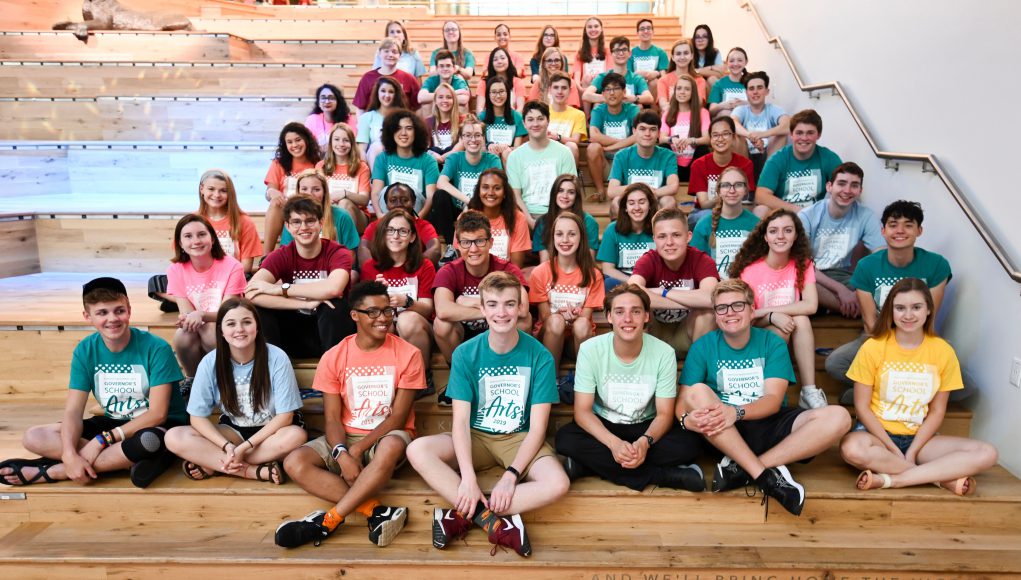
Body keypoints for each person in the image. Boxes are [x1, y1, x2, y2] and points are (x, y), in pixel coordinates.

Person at [407, 271, 570, 558]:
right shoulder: (465, 354)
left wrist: (511, 476)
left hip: (518, 438)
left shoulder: (540, 355)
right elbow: (459, 422)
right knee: (418, 449)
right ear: (481, 310)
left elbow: (538, 428)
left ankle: (460, 516)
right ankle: (488, 518)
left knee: (558, 483)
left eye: (510, 304)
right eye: (493, 304)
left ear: (521, 308)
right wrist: (468, 478)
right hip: (476, 436)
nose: (502, 312)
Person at [678, 279, 852, 516]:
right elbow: (682, 405)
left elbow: (772, 400)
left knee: (839, 416)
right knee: (697, 390)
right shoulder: (704, 346)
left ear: (752, 311)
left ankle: (745, 468)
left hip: (765, 420)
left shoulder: (772, 343)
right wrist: (689, 421)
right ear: (716, 315)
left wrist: (737, 411)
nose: (730, 313)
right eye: (722, 308)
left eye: (738, 305)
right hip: (723, 432)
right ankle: (764, 476)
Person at [274, 281, 425, 548]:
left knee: (390, 445)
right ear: (355, 315)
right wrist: (341, 452)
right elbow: (331, 418)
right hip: (345, 436)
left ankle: (329, 520)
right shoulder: (334, 356)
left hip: (386, 436)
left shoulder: (409, 354)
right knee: (294, 461)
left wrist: (355, 452)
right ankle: (376, 511)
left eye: (387, 311)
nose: (383, 319)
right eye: (373, 312)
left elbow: (398, 418)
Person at [0, 277, 186, 489]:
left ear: (129, 310)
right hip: (113, 422)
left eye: (119, 311)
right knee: (34, 436)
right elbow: (73, 411)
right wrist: (70, 454)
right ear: (87, 316)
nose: (112, 319)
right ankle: (117, 462)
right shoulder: (85, 350)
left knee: (149, 441)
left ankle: (53, 471)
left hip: (154, 426)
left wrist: (102, 441)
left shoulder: (156, 348)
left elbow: (157, 414)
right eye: (102, 313)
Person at [839, 279, 997, 495]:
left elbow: (937, 411)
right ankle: (941, 480)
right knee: (851, 449)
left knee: (986, 453)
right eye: (900, 308)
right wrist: (892, 448)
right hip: (875, 435)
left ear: (929, 310)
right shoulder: (873, 347)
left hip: (920, 439)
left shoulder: (943, 351)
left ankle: (892, 480)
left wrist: (912, 449)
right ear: (890, 311)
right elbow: (862, 407)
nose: (908, 315)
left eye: (916, 307)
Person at [555, 283, 705, 491]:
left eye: (636, 311)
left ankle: (590, 466)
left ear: (646, 317)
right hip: (605, 424)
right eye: (619, 312)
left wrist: (644, 443)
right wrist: (614, 444)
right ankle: (662, 475)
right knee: (565, 439)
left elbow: (664, 414)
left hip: (645, 425)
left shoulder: (664, 353)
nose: (627, 319)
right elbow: (582, 412)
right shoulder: (590, 350)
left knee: (690, 443)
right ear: (608, 317)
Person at [165, 298, 305, 485]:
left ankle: (214, 463)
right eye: (231, 324)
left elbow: (285, 417)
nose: (239, 329)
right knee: (174, 437)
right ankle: (251, 471)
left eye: (247, 322)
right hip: (233, 431)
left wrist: (242, 449)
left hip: (273, 432)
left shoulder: (277, 357)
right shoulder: (210, 362)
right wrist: (227, 446)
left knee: (296, 436)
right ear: (221, 331)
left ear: (257, 327)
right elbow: (197, 418)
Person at [825, 200, 952, 404]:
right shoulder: (867, 266)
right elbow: (870, 323)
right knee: (835, 363)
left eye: (908, 225)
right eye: (893, 225)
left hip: (919, 338)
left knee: (960, 380)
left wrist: (911, 352)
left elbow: (931, 317)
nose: (900, 230)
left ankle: (875, 393)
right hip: (879, 337)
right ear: (883, 231)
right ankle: (896, 392)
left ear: (919, 231)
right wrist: (895, 355)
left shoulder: (937, 265)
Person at [730, 209, 826, 410]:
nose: (780, 236)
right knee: (788, 323)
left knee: (801, 319)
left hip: (790, 329)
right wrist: (772, 317)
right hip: (759, 333)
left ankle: (809, 390)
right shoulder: (750, 271)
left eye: (787, 230)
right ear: (765, 237)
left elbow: (811, 305)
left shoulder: (803, 264)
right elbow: (748, 318)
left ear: (796, 235)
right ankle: (766, 391)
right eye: (773, 231)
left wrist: (770, 311)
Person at [245, 197, 355, 358]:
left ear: (321, 222)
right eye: (296, 222)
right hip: (293, 331)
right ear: (288, 226)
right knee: (258, 310)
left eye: (310, 221)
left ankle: (334, 368)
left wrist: (280, 289)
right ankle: (273, 367)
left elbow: (334, 288)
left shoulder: (337, 252)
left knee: (334, 304)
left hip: (330, 330)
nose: (304, 227)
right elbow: (250, 293)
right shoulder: (281, 255)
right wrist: (305, 303)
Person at [147, 169, 260, 312]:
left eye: (223, 191)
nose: (217, 195)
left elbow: (246, 266)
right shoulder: (191, 220)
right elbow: (181, 260)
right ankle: (200, 301)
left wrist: (222, 275)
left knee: (251, 285)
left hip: (229, 277)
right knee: (155, 283)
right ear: (202, 189)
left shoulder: (244, 222)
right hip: (197, 278)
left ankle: (192, 302)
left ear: (230, 193)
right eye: (211, 189)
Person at [432, 211, 530, 374]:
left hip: (500, 330)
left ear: (490, 243)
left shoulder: (506, 269)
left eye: (479, 241)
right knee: (441, 325)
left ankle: (506, 372)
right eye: (466, 242)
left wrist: (468, 302)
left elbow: (523, 308)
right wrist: (491, 309)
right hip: (462, 333)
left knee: (524, 321)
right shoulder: (449, 271)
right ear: (458, 244)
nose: (473, 249)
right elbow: (443, 310)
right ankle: (460, 374)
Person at [360, 208, 437, 396]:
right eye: (390, 230)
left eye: (403, 231)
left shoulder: (424, 266)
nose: (396, 236)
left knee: (406, 319)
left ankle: (423, 377)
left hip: (419, 328)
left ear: (411, 237)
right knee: (381, 323)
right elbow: (363, 312)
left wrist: (406, 301)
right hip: (386, 325)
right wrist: (377, 296)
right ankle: (388, 379)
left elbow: (428, 310)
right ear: (383, 234)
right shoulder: (371, 267)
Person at [166, 214, 245, 390]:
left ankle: (226, 377)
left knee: (210, 330)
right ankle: (193, 379)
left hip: (229, 324)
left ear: (212, 238)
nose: (196, 241)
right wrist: (189, 318)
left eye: (202, 234)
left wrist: (200, 315)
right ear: (180, 243)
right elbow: (187, 313)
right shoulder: (175, 270)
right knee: (183, 333)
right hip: (199, 327)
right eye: (188, 236)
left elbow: (228, 312)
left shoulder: (232, 266)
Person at [628, 207, 719, 355]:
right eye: (662, 236)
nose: (669, 242)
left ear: (688, 236)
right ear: (654, 239)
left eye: (676, 235)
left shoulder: (702, 260)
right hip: (654, 335)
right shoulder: (649, 259)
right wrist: (690, 303)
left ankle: (697, 370)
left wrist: (663, 292)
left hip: (687, 333)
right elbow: (632, 292)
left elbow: (711, 298)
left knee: (707, 314)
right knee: (634, 309)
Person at [798, 162, 884, 319]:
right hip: (812, 275)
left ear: (860, 191)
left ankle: (840, 306)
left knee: (883, 289)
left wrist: (858, 289)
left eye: (854, 185)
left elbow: (881, 256)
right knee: (804, 283)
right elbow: (802, 264)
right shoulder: (807, 216)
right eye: (842, 183)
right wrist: (841, 291)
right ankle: (861, 309)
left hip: (844, 276)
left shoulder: (866, 216)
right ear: (829, 186)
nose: (847, 191)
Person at [528, 212, 604, 376]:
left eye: (572, 234)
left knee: (582, 324)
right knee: (556, 321)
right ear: (553, 238)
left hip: (576, 339)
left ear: (581, 238)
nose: (565, 240)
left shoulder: (593, 275)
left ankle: (586, 381)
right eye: (559, 234)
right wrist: (562, 317)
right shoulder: (540, 273)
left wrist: (575, 317)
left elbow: (586, 316)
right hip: (549, 335)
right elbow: (545, 317)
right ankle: (551, 380)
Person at [754, 109, 843, 214]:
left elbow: (844, 187)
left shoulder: (829, 158)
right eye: (799, 133)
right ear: (791, 134)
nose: (804, 138)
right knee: (760, 210)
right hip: (783, 216)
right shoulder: (777, 159)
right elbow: (760, 196)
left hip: (815, 217)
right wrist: (798, 210)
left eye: (810, 133)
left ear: (818, 135)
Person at [506, 100, 577, 227]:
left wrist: (557, 220)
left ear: (548, 121)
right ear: (524, 123)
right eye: (530, 119)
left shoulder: (564, 152)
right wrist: (530, 221)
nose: (535, 124)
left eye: (540, 119)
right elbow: (516, 196)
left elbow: (570, 190)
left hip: (557, 214)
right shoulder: (514, 157)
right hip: (526, 215)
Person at [263, 122, 322, 257]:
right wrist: (272, 192)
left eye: (298, 140)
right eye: (289, 142)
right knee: (275, 204)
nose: (294, 145)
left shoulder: (318, 162)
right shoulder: (279, 163)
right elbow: (270, 190)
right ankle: (266, 257)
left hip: (312, 207)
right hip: (286, 208)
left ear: (306, 140)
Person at [370, 109, 440, 221]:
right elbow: (376, 192)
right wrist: (379, 215)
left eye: (409, 128)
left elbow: (431, 196)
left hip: (416, 211)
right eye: (398, 128)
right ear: (391, 132)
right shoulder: (382, 158)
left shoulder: (428, 161)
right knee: (386, 191)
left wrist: (418, 219)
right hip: (388, 213)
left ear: (416, 132)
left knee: (410, 192)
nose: (403, 133)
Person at [691, 166, 760, 278]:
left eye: (738, 185)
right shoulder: (704, 225)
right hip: (713, 287)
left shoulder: (756, 224)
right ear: (718, 190)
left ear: (746, 190)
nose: (732, 190)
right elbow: (695, 264)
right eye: (726, 185)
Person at [687, 116, 756, 226]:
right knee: (709, 216)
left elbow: (746, 201)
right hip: (704, 212)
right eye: (715, 135)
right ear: (710, 139)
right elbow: (704, 204)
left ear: (733, 137)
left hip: (736, 212)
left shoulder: (745, 165)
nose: (720, 139)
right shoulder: (699, 165)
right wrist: (727, 195)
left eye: (725, 134)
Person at [607, 110, 680, 214]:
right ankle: (622, 230)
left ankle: (659, 229)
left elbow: (673, 186)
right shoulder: (621, 156)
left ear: (659, 133)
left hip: (655, 199)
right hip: (631, 201)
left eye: (652, 129)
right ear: (634, 131)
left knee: (669, 201)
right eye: (642, 129)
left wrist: (651, 193)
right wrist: (640, 189)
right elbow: (612, 191)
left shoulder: (668, 155)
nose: (647, 134)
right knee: (616, 202)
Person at [586, 72, 641, 202]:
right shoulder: (598, 110)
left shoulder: (633, 110)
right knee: (593, 148)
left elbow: (638, 137)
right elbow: (594, 135)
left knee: (640, 143)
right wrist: (624, 142)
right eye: (608, 89)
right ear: (603, 94)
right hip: (606, 163)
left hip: (626, 162)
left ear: (624, 91)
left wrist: (609, 146)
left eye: (616, 88)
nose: (611, 93)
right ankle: (600, 190)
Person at [277, 170, 360, 257]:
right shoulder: (293, 217)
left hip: (338, 267)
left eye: (316, 189)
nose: (310, 194)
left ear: (324, 192)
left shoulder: (342, 216)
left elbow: (351, 254)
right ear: (298, 191)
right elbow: (286, 252)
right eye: (304, 189)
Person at [359, 182, 442, 267]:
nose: (398, 204)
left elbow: (435, 250)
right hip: (382, 272)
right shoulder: (375, 225)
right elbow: (363, 248)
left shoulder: (423, 226)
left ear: (413, 203)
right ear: (387, 205)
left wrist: (405, 269)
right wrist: (374, 270)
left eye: (405, 200)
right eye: (393, 200)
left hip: (412, 272)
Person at [597, 183, 657, 291]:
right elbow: (607, 269)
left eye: (642, 202)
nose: (637, 207)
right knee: (609, 282)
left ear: (650, 206)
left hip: (652, 282)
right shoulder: (612, 229)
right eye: (631, 203)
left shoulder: (659, 228)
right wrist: (634, 283)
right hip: (624, 282)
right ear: (625, 207)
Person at [466, 168, 530, 268]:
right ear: (478, 191)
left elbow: (516, 266)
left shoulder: (518, 218)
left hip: (505, 278)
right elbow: (464, 259)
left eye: (497, 188)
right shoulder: (466, 218)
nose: (490, 192)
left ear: (505, 193)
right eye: (485, 187)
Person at [732, 71, 789, 177]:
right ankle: (744, 177)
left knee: (781, 135)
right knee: (735, 136)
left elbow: (788, 125)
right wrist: (751, 136)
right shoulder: (741, 110)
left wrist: (762, 135)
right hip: (745, 155)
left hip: (768, 155)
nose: (755, 92)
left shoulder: (773, 109)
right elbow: (732, 123)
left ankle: (768, 176)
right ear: (746, 92)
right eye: (751, 88)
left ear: (767, 91)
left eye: (759, 88)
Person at [317, 123, 372, 234]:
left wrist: (345, 194)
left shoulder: (361, 167)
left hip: (357, 214)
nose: (341, 144)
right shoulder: (321, 166)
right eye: (336, 139)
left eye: (346, 140)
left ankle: (345, 249)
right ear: (331, 143)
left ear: (352, 144)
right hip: (328, 212)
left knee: (345, 203)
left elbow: (364, 200)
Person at [532, 174, 600, 261]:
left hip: (580, 270)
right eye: (560, 190)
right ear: (554, 193)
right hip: (551, 270)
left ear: (576, 196)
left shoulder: (589, 222)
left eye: (571, 192)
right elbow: (544, 261)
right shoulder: (543, 222)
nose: (565, 196)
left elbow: (589, 260)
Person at [661, 74, 711, 182]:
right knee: (663, 147)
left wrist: (690, 141)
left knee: (703, 149)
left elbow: (707, 139)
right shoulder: (668, 113)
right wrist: (672, 139)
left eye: (687, 89)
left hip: (693, 163)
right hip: (674, 165)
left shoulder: (702, 112)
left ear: (692, 92)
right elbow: (661, 138)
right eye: (679, 88)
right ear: (675, 91)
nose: (682, 92)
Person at [353, 38, 420, 114]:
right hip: (373, 124)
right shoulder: (367, 78)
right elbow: (360, 108)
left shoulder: (409, 78)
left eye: (394, 52)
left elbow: (418, 108)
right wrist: (363, 125)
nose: (390, 55)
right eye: (386, 51)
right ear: (379, 53)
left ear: (399, 55)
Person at [582, 36, 652, 107]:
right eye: (617, 50)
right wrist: (610, 98)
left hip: (628, 113)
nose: (621, 53)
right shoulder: (603, 77)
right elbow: (586, 95)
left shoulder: (636, 78)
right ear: (611, 54)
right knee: (597, 105)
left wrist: (634, 98)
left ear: (629, 53)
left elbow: (649, 98)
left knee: (639, 106)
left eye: (624, 49)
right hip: (608, 114)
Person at [356, 76, 410, 166]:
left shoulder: (404, 117)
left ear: (396, 95)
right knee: (377, 146)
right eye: (383, 91)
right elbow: (361, 149)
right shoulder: (367, 117)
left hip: (399, 160)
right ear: (377, 93)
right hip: (374, 162)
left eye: (391, 92)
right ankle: (375, 179)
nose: (387, 95)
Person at [479, 76, 527, 164]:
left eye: (501, 91)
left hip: (509, 156)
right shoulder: (481, 117)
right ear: (488, 95)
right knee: (492, 153)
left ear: (508, 93)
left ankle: (509, 178)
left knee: (507, 153)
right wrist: (489, 146)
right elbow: (481, 147)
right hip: (489, 155)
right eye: (493, 92)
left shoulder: (517, 116)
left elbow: (517, 148)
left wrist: (506, 148)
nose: (498, 96)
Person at [547, 71, 587, 166]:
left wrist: (557, 137)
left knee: (571, 146)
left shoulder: (578, 114)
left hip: (565, 154)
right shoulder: (542, 111)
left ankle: (570, 179)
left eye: (564, 88)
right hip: (545, 150)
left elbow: (576, 140)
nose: (560, 91)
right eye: (556, 87)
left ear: (570, 90)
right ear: (550, 90)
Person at [657, 38, 707, 112]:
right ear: (673, 57)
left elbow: (698, 104)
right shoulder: (663, 80)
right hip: (670, 117)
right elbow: (663, 105)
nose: (682, 57)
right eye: (678, 54)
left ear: (692, 56)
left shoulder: (700, 80)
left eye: (686, 53)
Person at [573, 16, 609, 116]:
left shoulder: (608, 52)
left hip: (603, 87)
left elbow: (609, 74)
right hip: (585, 88)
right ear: (585, 30)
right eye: (590, 27)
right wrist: (581, 89)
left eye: (596, 26)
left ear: (601, 29)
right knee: (587, 77)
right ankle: (586, 116)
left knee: (597, 104)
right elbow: (576, 77)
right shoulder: (579, 54)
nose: (593, 29)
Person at [305, 83, 356, 151]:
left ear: (338, 101)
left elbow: (352, 143)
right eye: (323, 98)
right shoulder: (312, 119)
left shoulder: (348, 120)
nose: (327, 101)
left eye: (331, 98)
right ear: (318, 102)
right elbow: (307, 144)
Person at [630, 19, 669, 102]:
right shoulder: (631, 53)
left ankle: (653, 111)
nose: (646, 31)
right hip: (636, 86)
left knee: (654, 82)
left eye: (649, 28)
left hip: (653, 87)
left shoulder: (660, 52)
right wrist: (640, 74)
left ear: (653, 32)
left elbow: (664, 76)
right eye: (642, 29)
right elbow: (628, 74)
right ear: (637, 33)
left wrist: (656, 73)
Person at [425, 82, 464, 165]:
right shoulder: (428, 122)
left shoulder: (462, 121)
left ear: (454, 100)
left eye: (449, 97)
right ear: (435, 100)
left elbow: (463, 142)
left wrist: (444, 157)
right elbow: (424, 147)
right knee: (434, 150)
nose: (445, 100)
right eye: (440, 97)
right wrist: (432, 154)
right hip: (434, 162)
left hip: (454, 162)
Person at [476, 46, 525, 112]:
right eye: (495, 59)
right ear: (491, 63)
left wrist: (514, 120)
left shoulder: (517, 82)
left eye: (502, 58)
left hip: (512, 119)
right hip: (489, 119)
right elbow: (479, 108)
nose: (499, 62)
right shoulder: (484, 82)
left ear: (509, 60)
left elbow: (520, 108)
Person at [707, 47, 749, 118]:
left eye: (740, 60)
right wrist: (723, 105)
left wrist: (746, 104)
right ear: (727, 63)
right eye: (732, 61)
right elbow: (711, 111)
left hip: (747, 120)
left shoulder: (751, 82)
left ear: (746, 62)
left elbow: (760, 106)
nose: (735, 64)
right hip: (727, 122)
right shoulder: (719, 84)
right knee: (725, 113)